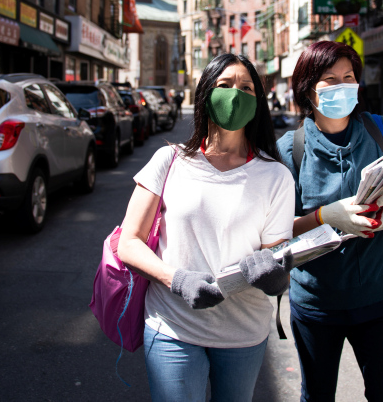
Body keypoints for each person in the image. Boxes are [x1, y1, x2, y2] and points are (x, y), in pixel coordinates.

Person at [117, 53, 296, 401]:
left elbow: (276, 250)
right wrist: (177, 280)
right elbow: (129, 242)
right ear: (204, 95)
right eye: (225, 85)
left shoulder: (276, 175)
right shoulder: (168, 160)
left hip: (244, 333)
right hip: (172, 325)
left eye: (246, 87)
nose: (235, 94)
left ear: (257, 102)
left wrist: (275, 272)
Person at [276, 41, 383, 401]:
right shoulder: (289, 149)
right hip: (317, 304)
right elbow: (276, 229)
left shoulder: (381, 131)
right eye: (330, 79)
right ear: (308, 89)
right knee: (316, 395)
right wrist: (324, 216)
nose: (342, 86)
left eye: (349, 77)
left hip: (379, 299)